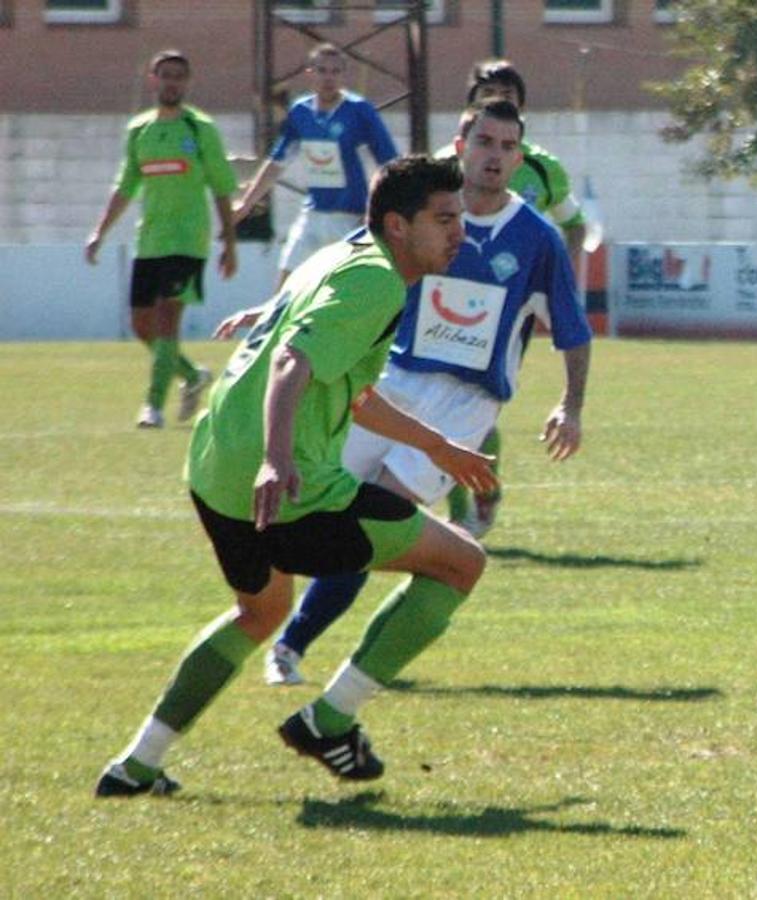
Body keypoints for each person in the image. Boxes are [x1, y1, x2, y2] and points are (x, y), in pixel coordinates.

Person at [94, 155, 496, 797]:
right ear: (398, 224)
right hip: (288, 490)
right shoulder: (377, 284)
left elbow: (353, 389)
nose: (460, 233)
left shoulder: (339, 257)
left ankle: (135, 765)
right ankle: (328, 720)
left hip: (214, 468)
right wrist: (277, 458)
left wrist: (437, 447)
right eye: (444, 219)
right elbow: (292, 361)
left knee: (260, 613)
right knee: (460, 565)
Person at [249, 98, 591, 687]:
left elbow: (572, 328)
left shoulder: (536, 239)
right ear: (461, 147)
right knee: (319, 500)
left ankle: (291, 646)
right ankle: (274, 625)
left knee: (371, 519)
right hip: (389, 381)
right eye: (485, 142)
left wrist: (571, 404)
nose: (496, 156)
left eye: (509, 148)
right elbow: (344, 262)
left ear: (519, 159)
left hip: (464, 403)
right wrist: (275, 305)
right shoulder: (422, 209)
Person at [442, 59, 591, 538]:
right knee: (433, 403)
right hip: (440, 295)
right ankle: (456, 506)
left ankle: (479, 488)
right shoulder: (441, 167)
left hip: (505, 308)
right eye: (485, 92)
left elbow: (574, 224)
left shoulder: (543, 171)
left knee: (476, 400)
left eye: (504, 92)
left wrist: (556, 284)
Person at [85, 49, 239, 429]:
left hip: (188, 241)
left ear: (187, 82)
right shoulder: (140, 130)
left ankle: (152, 406)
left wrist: (229, 243)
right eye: (165, 75)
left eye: (179, 76)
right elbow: (125, 186)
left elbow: (222, 188)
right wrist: (99, 233)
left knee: (169, 316)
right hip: (149, 241)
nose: (172, 82)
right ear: (153, 79)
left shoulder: (200, 129)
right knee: (141, 323)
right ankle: (191, 375)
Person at [233, 43, 400, 290]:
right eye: (322, 70)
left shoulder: (359, 110)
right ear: (310, 73)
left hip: (351, 218)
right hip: (313, 214)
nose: (328, 78)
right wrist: (246, 203)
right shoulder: (301, 112)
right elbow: (278, 161)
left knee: (348, 291)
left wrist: (378, 211)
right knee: (286, 287)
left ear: (343, 75)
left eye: (335, 71)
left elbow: (389, 164)